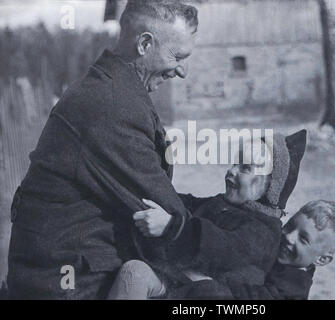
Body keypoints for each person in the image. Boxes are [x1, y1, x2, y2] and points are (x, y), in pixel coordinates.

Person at [7, 0, 199, 299]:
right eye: (177, 56)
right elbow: (166, 213)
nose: (183, 71)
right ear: (145, 44)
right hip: (67, 283)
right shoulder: (112, 104)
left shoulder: (110, 87)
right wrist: (241, 237)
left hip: (66, 269)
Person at [108, 130, 308, 299]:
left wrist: (173, 227)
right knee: (135, 272)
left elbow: (222, 244)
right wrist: (151, 191)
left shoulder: (263, 231)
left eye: (245, 168)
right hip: (180, 285)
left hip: (210, 296)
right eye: (234, 163)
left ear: (270, 187)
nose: (232, 171)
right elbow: (186, 204)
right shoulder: (223, 204)